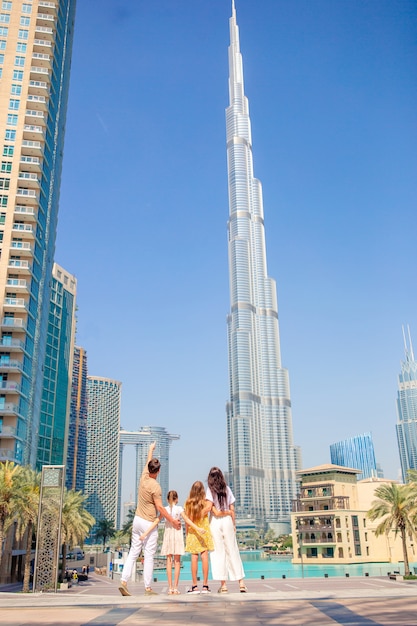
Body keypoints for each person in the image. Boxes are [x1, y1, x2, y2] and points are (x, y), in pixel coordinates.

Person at [118, 441, 181, 597]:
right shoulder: (156, 486)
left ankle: (124, 581)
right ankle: (147, 588)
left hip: (137, 520)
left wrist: (150, 450)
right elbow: (160, 508)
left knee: (133, 552)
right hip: (148, 524)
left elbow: (148, 463)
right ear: (158, 471)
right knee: (149, 555)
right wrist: (172, 521)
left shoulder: (143, 477)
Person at [206, 466, 247, 593]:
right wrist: (233, 523)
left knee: (218, 552)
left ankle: (223, 585)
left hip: (215, 522)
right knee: (232, 550)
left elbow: (213, 510)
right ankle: (241, 583)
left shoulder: (210, 490)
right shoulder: (227, 489)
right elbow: (232, 509)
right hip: (228, 520)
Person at [159, 489, 205, 595]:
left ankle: (170, 587)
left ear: (167, 499)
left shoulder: (165, 509)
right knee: (177, 562)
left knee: (169, 561)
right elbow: (187, 520)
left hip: (168, 534)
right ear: (177, 499)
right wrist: (198, 528)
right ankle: (175, 587)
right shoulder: (179, 509)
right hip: (177, 534)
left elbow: (157, 520)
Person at [184, 480, 215, 594]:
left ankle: (194, 586)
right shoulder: (205, 503)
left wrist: (187, 533)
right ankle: (206, 586)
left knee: (194, 558)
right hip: (204, 531)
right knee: (205, 557)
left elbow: (187, 520)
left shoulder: (187, 503)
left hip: (193, 532)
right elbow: (210, 508)